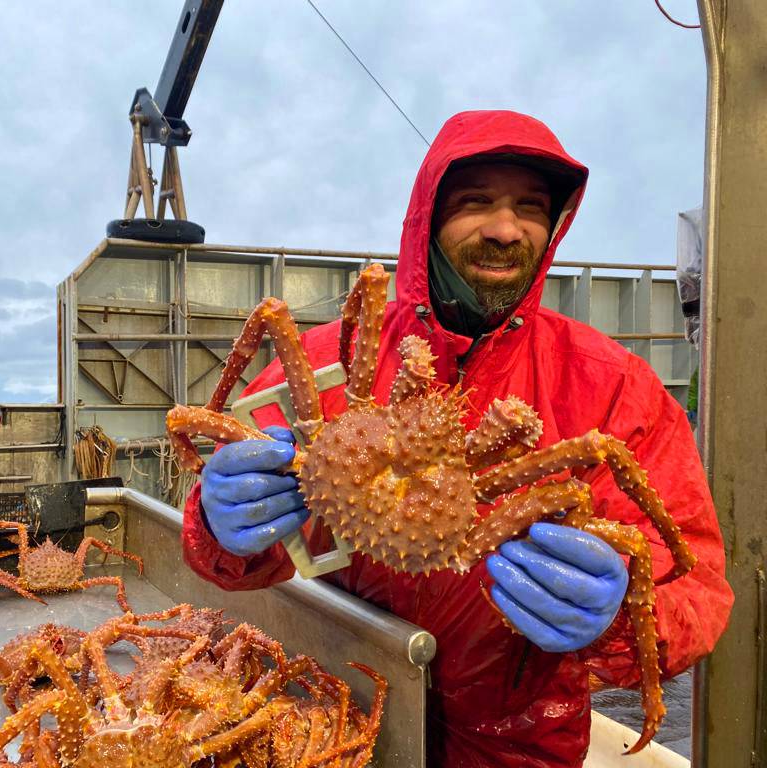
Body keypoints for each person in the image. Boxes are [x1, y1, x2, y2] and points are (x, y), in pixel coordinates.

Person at [180, 110, 733, 767]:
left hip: (513, 747)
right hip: (325, 721)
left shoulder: (611, 388)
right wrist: (216, 522)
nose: (506, 228)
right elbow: (228, 558)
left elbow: (694, 585)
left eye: (531, 207)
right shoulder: (336, 360)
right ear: (428, 216)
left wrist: (617, 622)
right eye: (477, 202)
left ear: (554, 226)